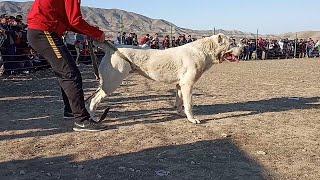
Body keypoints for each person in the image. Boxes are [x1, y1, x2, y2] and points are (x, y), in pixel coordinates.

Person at [27, 0, 106, 132]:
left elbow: (69, 22)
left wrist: (91, 31)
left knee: (67, 73)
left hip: (44, 31)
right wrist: (97, 33)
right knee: (70, 74)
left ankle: (71, 110)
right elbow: (75, 20)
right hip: (44, 31)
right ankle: (81, 120)